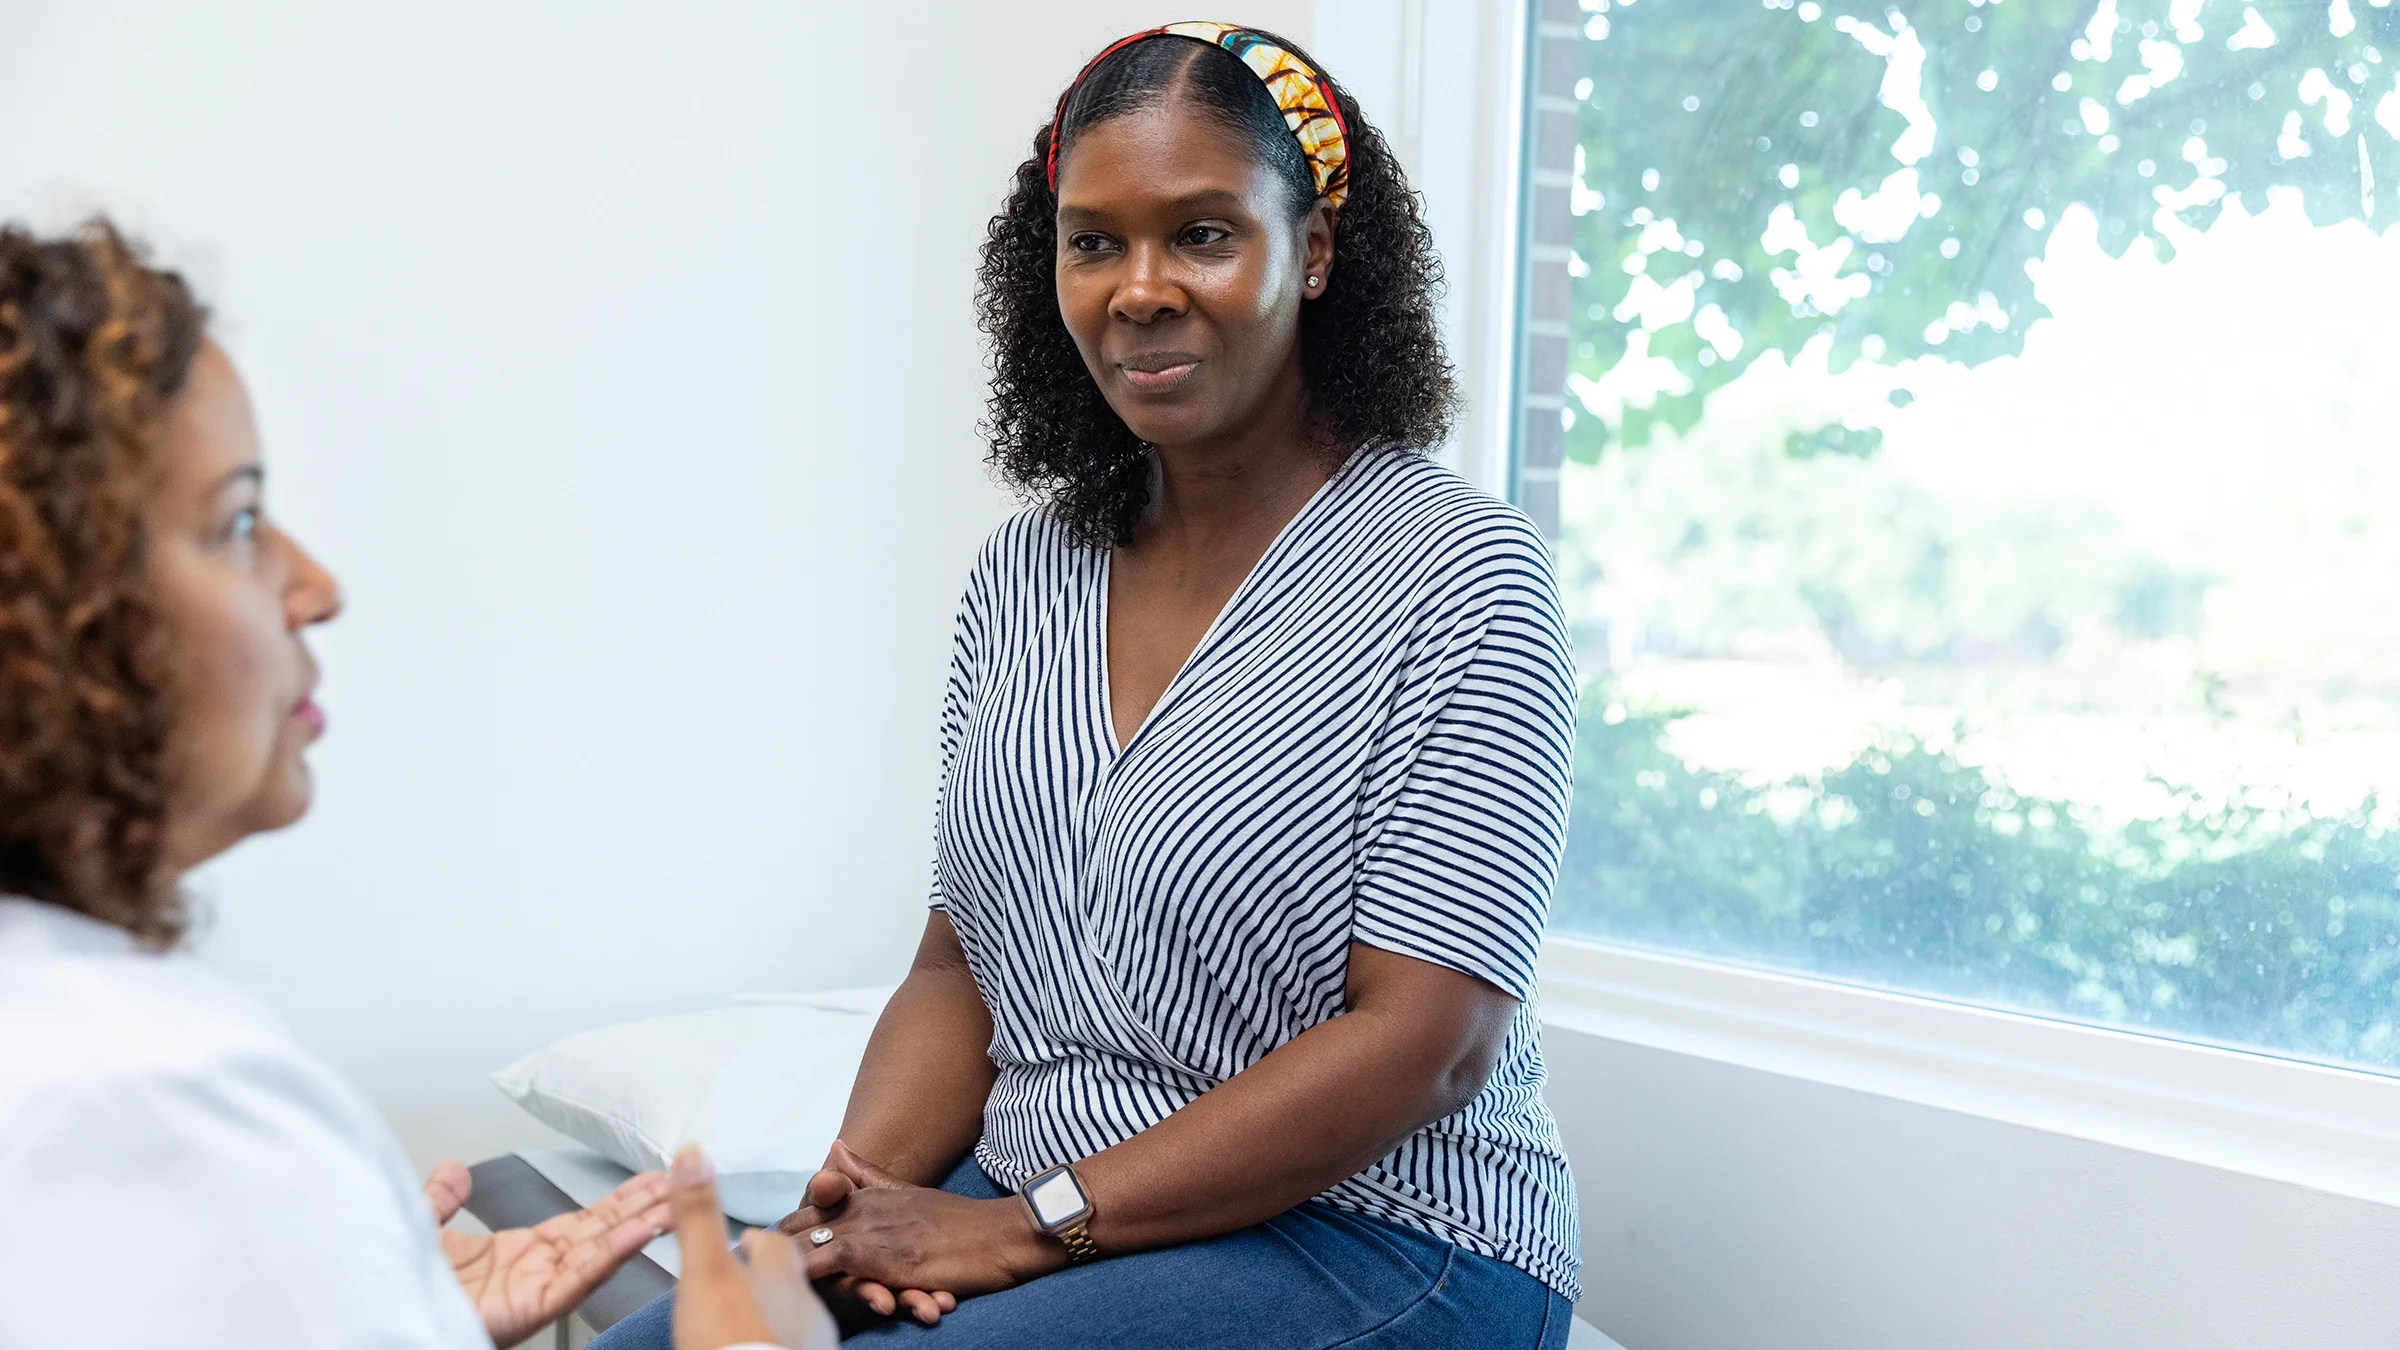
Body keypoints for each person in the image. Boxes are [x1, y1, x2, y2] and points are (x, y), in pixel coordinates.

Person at [596, 22, 1580, 1349]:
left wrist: (1019, 1229)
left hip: (1375, 1233)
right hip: (1039, 1194)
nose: (1141, 288)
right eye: (1095, 241)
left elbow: (1429, 1043)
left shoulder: (1462, 573)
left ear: (1315, 250)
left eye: (1204, 234)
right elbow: (959, 967)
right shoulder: (1026, 571)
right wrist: (853, 1205)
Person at [0, 219, 835, 1350]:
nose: (316, 587)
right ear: (47, 613)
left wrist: (389, 1316)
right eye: (239, 521)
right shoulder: (150, 1103)